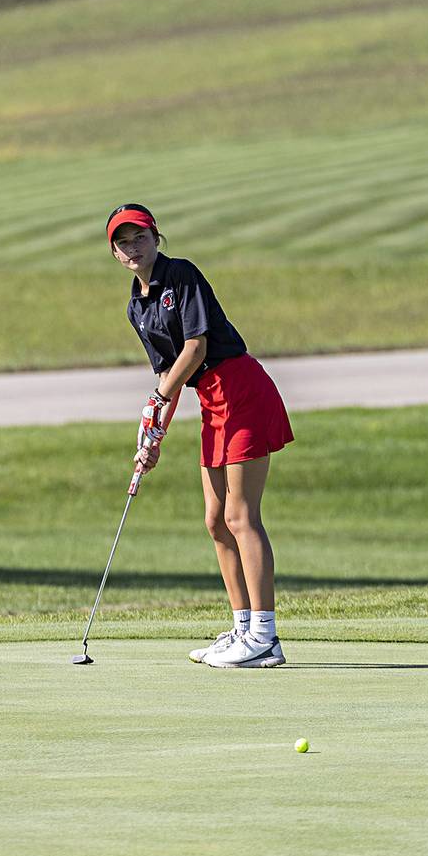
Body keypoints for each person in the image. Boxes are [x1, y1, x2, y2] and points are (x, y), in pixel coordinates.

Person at [107, 203, 295, 668]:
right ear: (114, 252)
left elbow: (196, 347)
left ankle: (266, 637)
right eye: (123, 242)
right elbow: (169, 374)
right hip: (212, 401)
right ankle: (243, 628)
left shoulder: (182, 276)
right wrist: (153, 436)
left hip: (240, 388)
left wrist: (155, 399)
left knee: (240, 515)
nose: (133, 248)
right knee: (215, 520)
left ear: (156, 237)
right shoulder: (137, 307)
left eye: (140, 237)